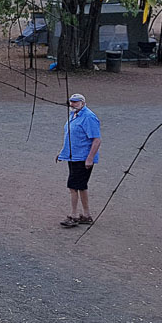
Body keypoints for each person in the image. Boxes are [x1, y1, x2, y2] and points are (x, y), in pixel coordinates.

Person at [57, 93, 101, 228]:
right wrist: (62, 153)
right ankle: (86, 215)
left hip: (82, 159)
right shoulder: (74, 115)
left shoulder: (88, 117)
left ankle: (73, 215)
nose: (72, 104)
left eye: (75, 102)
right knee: (81, 186)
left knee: (73, 186)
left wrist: (90, 158)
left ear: (83, 103)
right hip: (73, 156)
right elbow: (70, 137)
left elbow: (96, 139)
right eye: (71, 102)